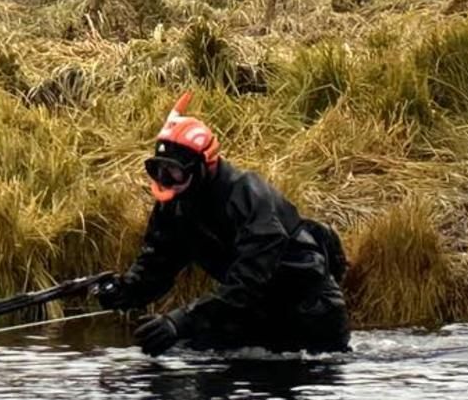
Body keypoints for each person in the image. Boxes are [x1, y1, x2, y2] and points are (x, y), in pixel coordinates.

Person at [97, 92, 351, 357]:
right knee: (182, 354)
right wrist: (124, 290)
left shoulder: (249, 197)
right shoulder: (175, 204)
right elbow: (158, 263)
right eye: (156, 169)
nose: (164, 180)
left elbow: (250, 282)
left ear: (204, 166)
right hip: (253, 313)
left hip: (309, 316)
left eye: (173, 171)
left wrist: (180, 321)